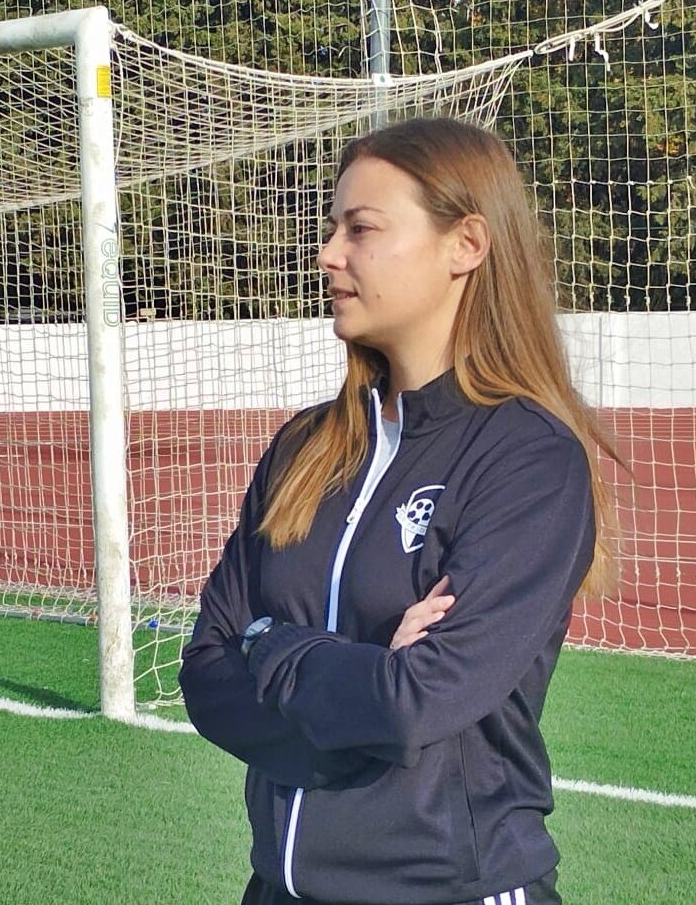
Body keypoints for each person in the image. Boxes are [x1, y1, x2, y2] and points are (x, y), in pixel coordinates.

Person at [179, 116, 622, 905]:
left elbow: (417, 699)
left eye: (361, 228)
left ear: (466, 245)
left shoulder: (526, 460)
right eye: (330, 228)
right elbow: (206, 677)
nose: (328, 253)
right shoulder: (303, 447)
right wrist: (356, 670)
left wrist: (268, 647)